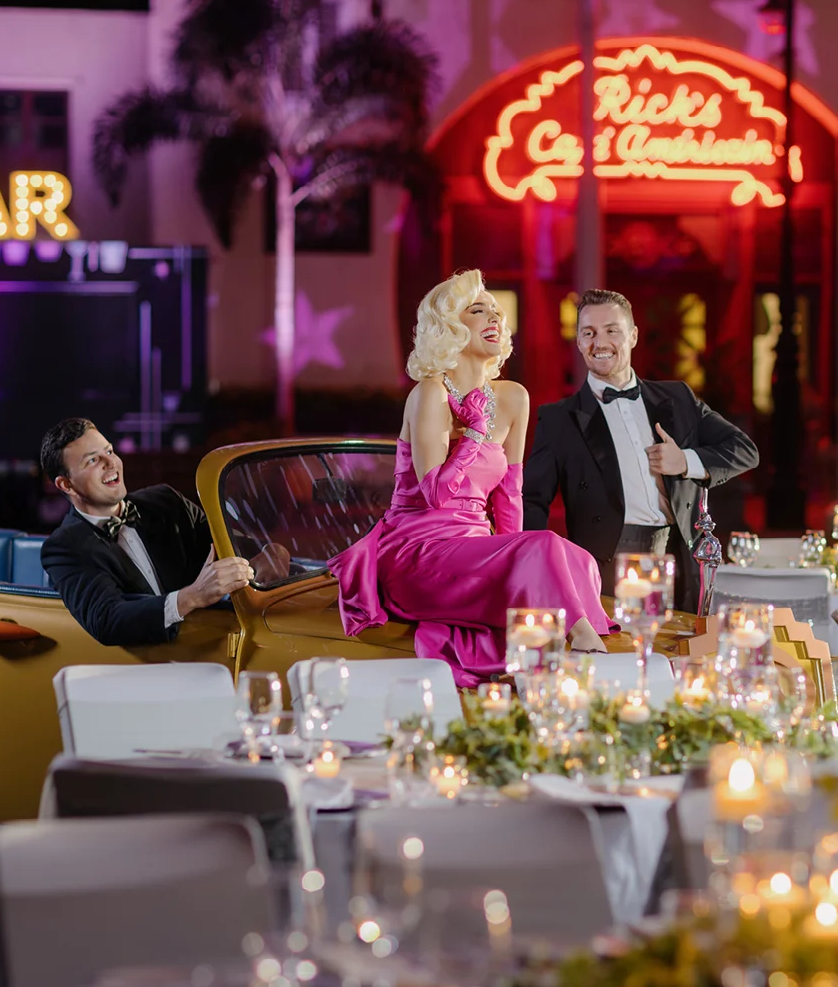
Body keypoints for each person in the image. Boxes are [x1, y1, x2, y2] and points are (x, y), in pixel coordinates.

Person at [327, 271, 613, 688]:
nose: (494, 316)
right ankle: (590, 652)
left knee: (574, 558)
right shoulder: (429, 393)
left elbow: (510, 496)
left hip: (474, 549)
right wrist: (476, 434)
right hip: (417, 552)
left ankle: (555, 655)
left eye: (496, 310)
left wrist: (523, 561)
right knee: (546, 546)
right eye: (478, 310)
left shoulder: (513, 397)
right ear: (448, 327)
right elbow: (435, 494)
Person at [522, 288, 759, 614]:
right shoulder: (558, 419)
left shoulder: (678, 398)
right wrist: (539, 570)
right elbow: (531, 502)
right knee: (618, 647)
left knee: (679, 645)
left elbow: (744, 449)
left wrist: (686, 461)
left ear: (633, 336)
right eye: (589, 333)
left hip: (680, 557)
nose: (599, 342)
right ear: (577, 341)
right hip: (603, 567)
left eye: (612, 330)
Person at [38, 418, 260, 647]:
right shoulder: (64, 547)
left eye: (109, 451)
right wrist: (193, 596)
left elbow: (227, 545)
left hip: (214, 646)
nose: (111, 463)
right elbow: (107, 619)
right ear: (66, 485)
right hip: (144, 666)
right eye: (93, 460)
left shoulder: (166, 501)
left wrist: (265, 556)